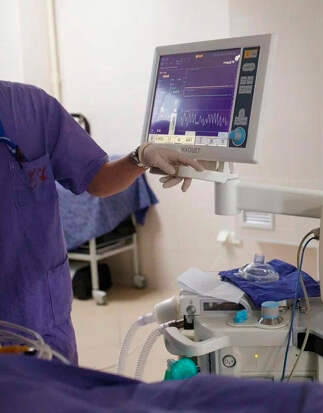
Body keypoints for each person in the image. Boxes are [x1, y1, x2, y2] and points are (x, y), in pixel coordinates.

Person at [0, 80, 203, 364]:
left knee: (55, 387)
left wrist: (141, 157)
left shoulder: (30, 108)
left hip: (39, 314)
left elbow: (98, 179)